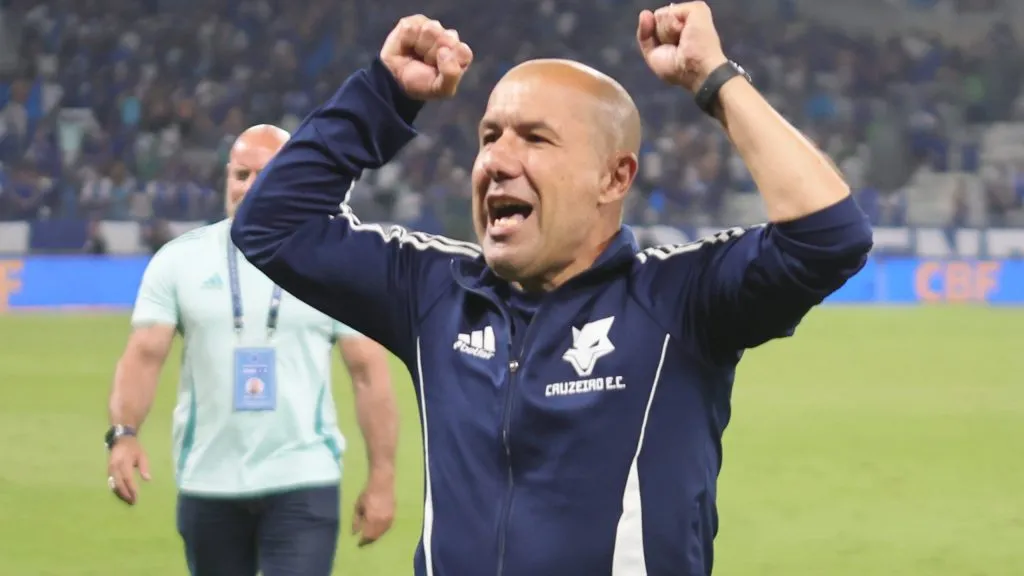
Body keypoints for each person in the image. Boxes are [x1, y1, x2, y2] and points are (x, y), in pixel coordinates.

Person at [232, 4, 873, 575]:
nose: (496, 160)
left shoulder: (677, 302)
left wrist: (714, 79)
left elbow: (829, 237)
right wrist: (383, 94)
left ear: (614, 178)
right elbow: (271, 225)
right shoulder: (434, 293)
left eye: (535, 139)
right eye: (489, 137)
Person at [105, 124, 399, 576]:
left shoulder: (333, 262)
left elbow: (368, 374)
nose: (249, 187)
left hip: (303, 477)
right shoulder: (180, 261)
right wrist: (124, 434)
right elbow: (144, 356)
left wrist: (382, 477)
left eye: (265, 175)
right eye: (241, 175)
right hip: (208, 480)